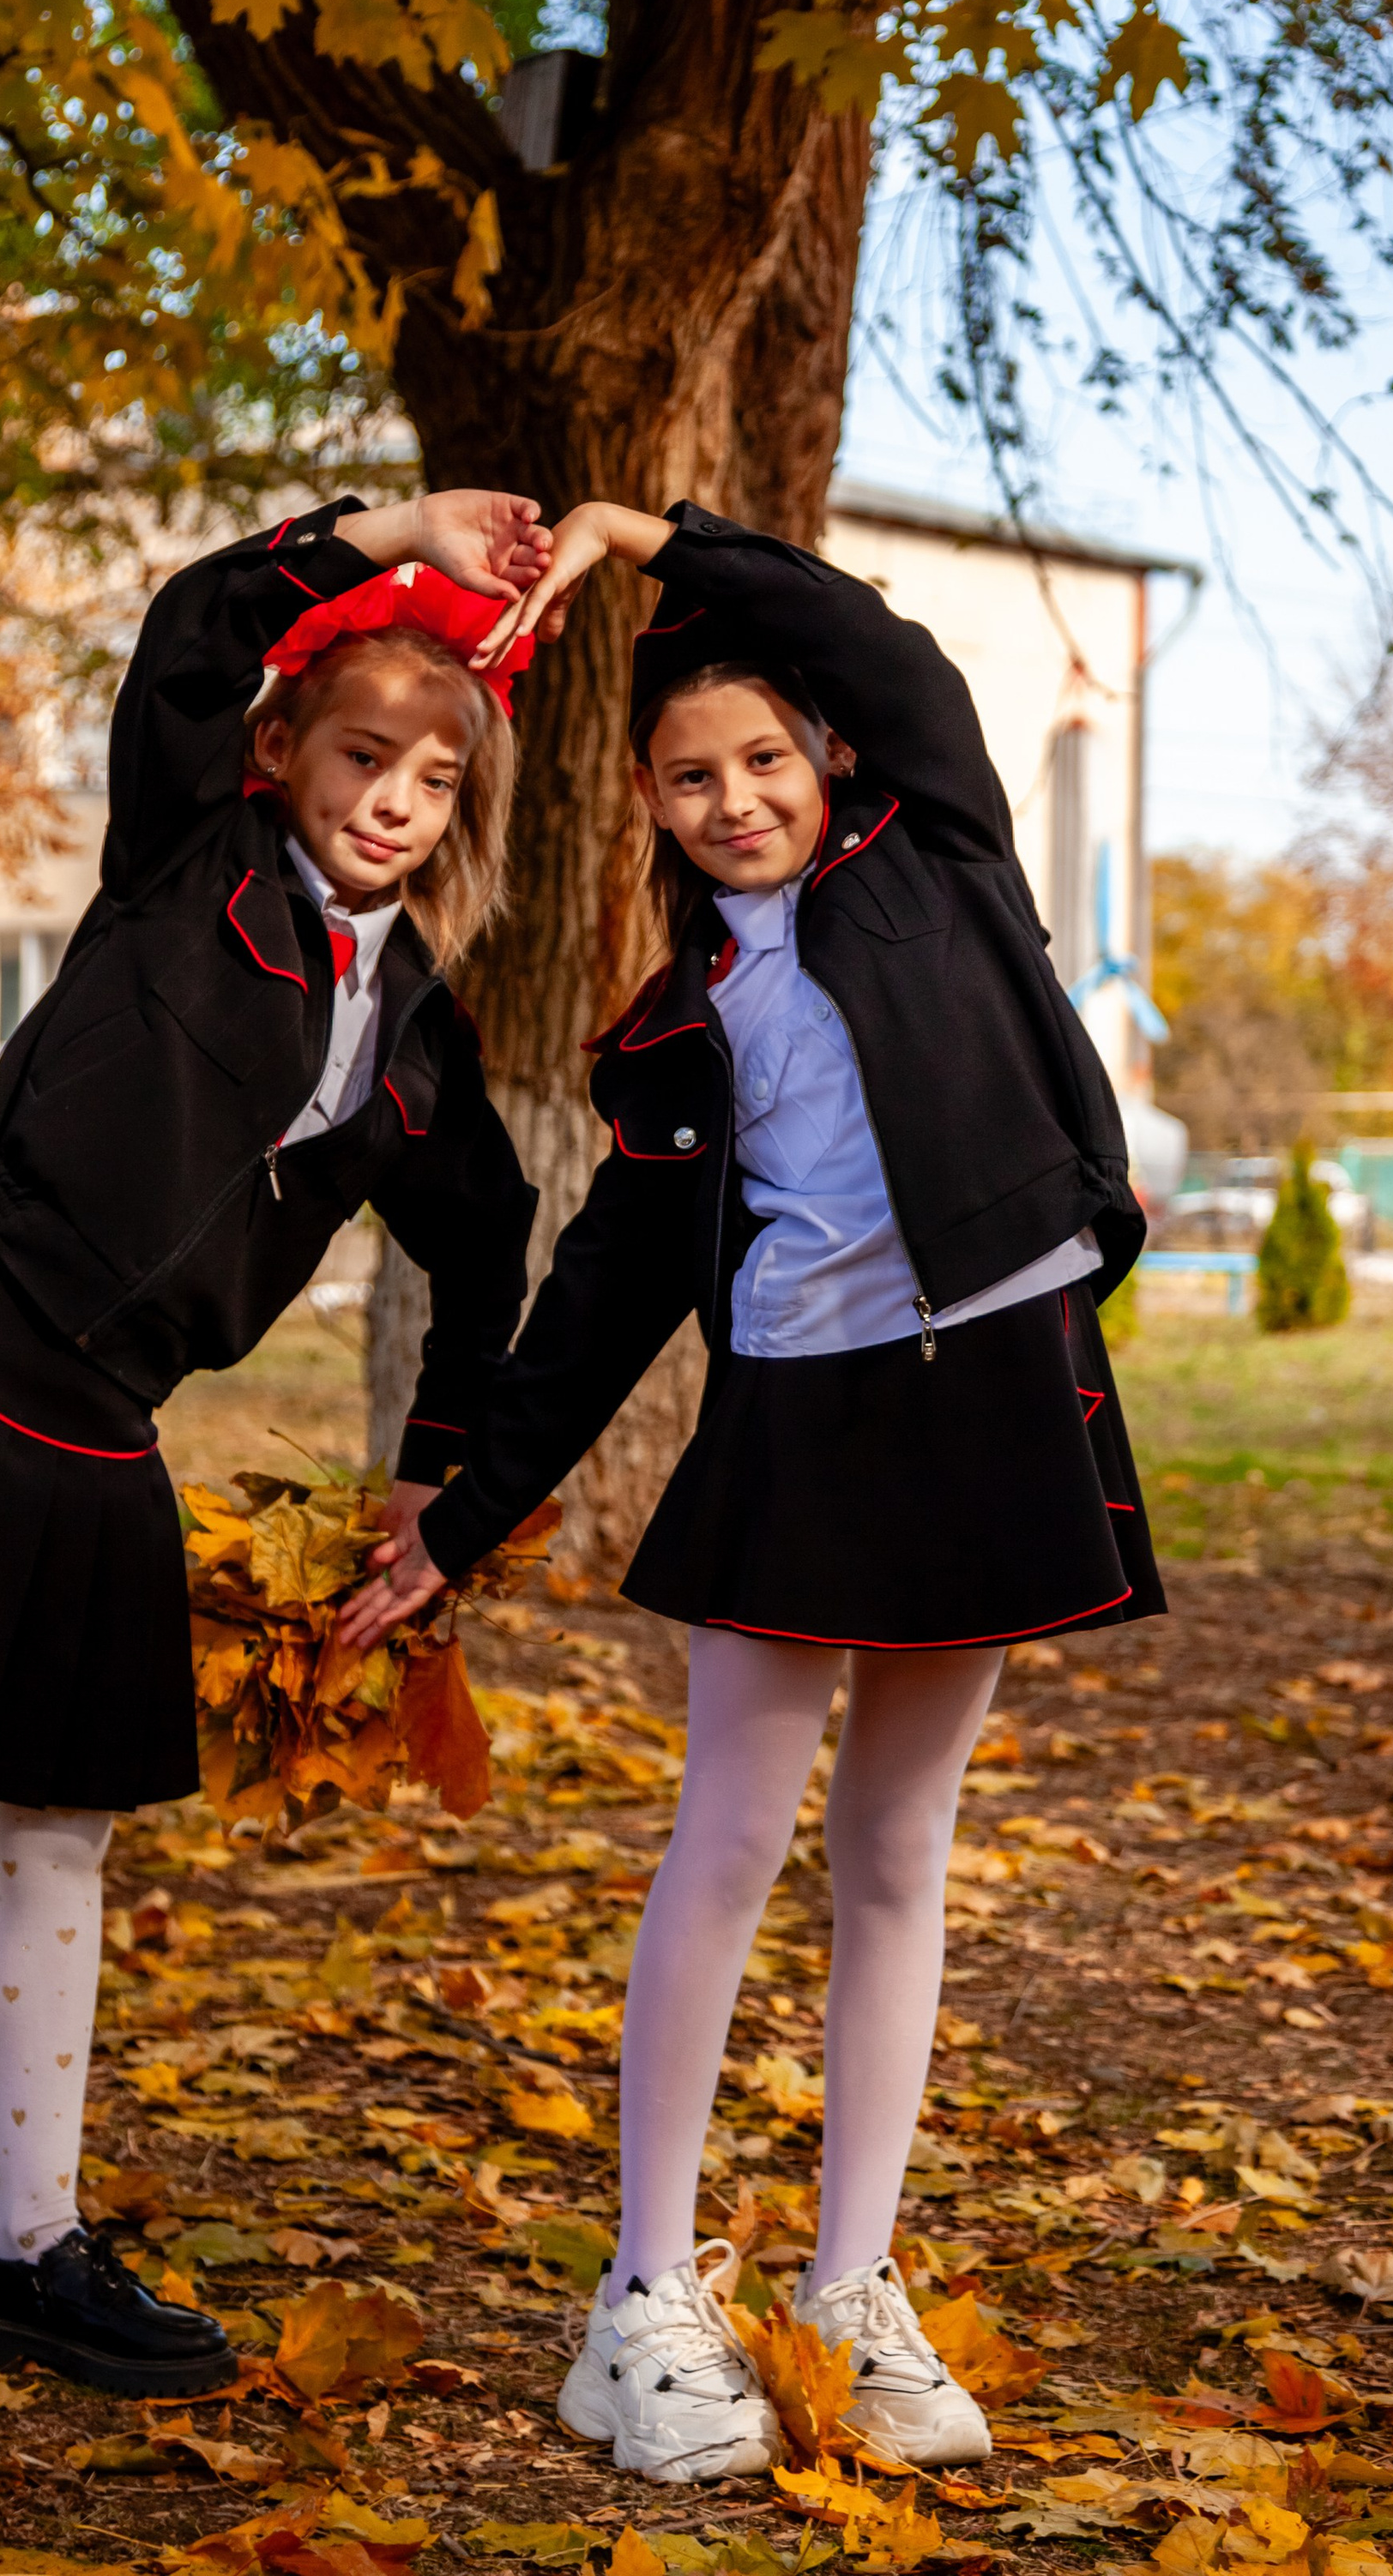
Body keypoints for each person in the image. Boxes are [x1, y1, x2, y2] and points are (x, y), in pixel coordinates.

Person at [0, 491, 549, 2393]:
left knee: (64, 1839)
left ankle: (26, 2247)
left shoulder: (416, 1039)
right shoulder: (179, 861)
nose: (393, 796)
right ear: (282, 750)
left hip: (106, 1432)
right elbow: (193, 624)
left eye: (435, 778)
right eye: (361, 752)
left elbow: (490, 1251)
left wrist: (429, 1486)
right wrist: (387, 530)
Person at [337, 497, 1165, 2484]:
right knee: (725, 1848)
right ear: (647, 794)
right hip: (796, 1429)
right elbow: (601, 1305)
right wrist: (454, 1516)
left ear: (833, 760)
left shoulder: (943, 856)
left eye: (764, 761)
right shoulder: (669, 1025)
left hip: (987, 1408)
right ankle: (639, 2300)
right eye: (690, 776)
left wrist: (648, 537)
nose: (732, 800)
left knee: (898, 1855)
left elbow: (878, 646)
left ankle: (846, 2286)